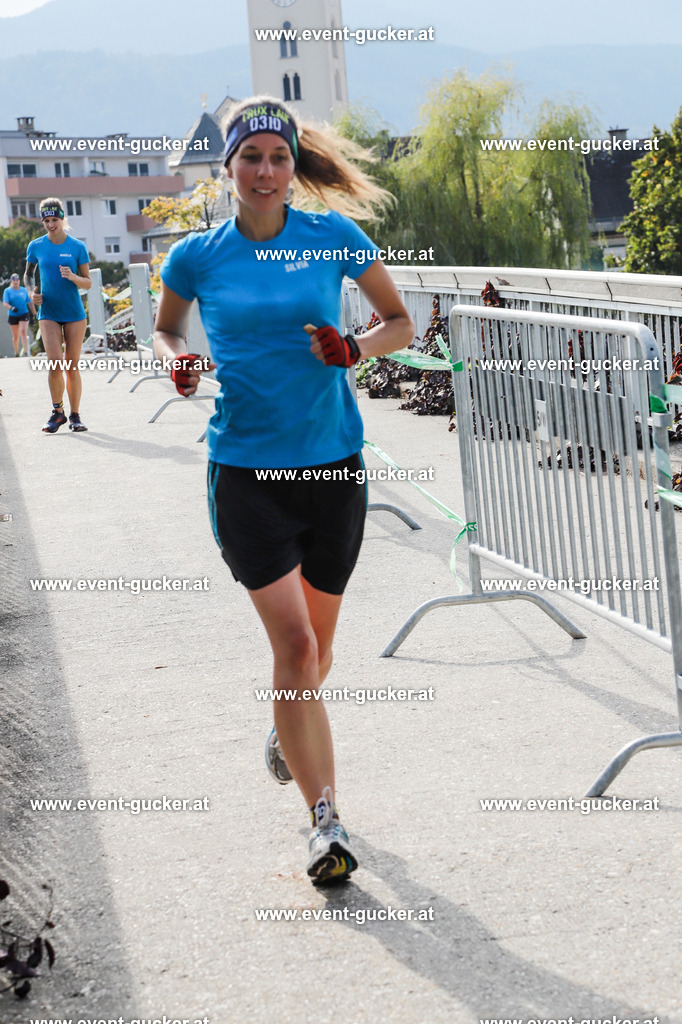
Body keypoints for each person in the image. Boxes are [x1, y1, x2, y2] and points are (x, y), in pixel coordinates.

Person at [153, 95, 414, 885]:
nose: (265, 172)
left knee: (318, 655)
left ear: (292, 167)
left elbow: (399, 320)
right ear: (227, 167)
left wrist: (353, 347)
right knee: (296, 648)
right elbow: (167, 327)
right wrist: (178, 358)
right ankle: (324, 824)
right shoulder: (194, 257)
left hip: (331, 467)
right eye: (251, 158)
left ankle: (287, 723)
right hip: (245, 473)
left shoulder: (331, 237)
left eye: (278, 158)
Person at [24, 197, 91, 433]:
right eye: (47, 221)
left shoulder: (77, 247)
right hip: (48, 312)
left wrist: (73, 277)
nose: (51, 224)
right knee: (54, 364)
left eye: (55, 219)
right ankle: (57, 412)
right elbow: (28, 275)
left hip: (74, 313)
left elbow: (88, 283)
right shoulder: (36, 246)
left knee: (72, 367)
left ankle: (75, 415)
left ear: (62, 218)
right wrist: (32, 292)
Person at [3, 273, 34, 356]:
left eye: (17, 280)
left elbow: (30, 302)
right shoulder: (7, 291)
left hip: (23, 313)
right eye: (14, 280)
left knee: (23, 331)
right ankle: (16, 352)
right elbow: (5, 303)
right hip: (13, 315)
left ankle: (26, 352)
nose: (16, 282)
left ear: (19, 281)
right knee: (16, 336)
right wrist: (11, 308)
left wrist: (34, 313)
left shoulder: (23, 290)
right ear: (11, 281)